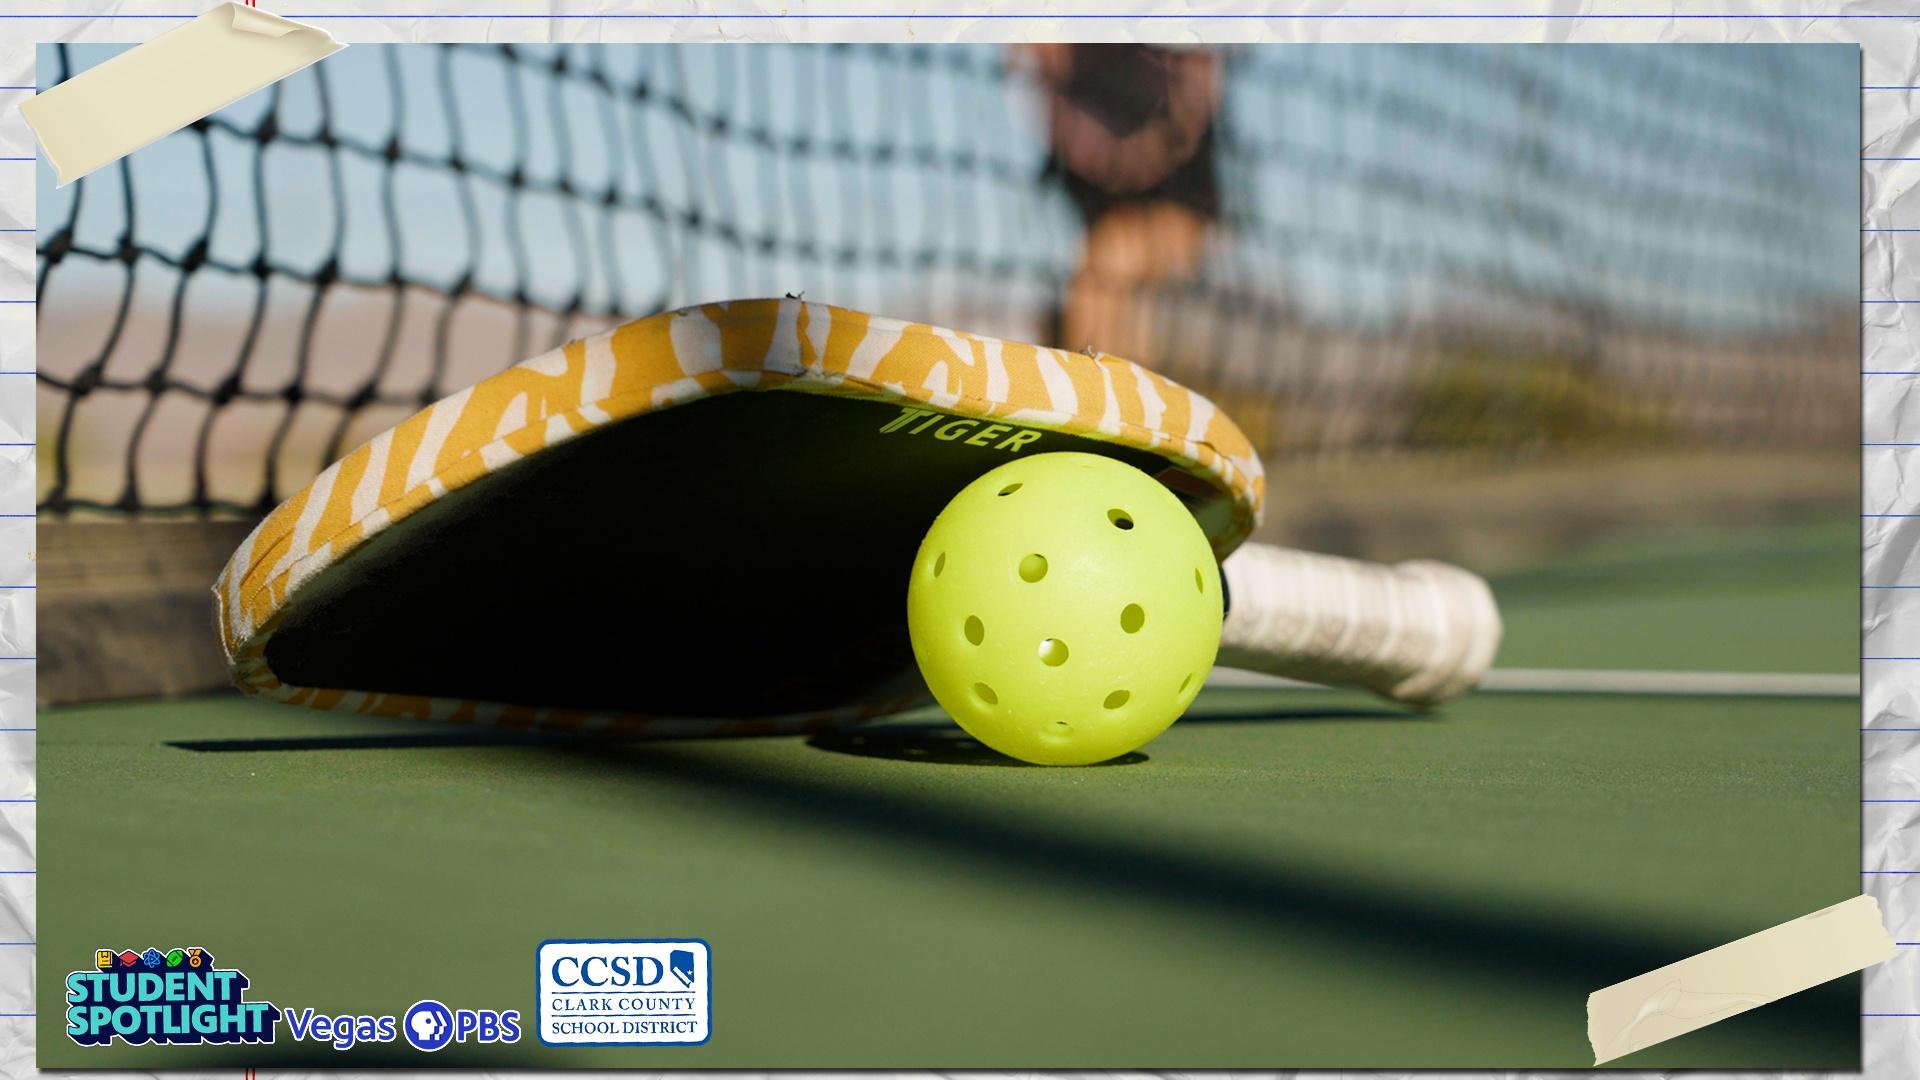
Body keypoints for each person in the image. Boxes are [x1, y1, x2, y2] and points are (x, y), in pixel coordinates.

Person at [1017, 44, 1224, 362]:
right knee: (1114, 293)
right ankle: (1113, 401)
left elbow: (1199, 83)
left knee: (1106, 270)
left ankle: (1094, 397)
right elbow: (1038, 64)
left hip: (1177, 196)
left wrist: (1143, 155)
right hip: (1103, 204)